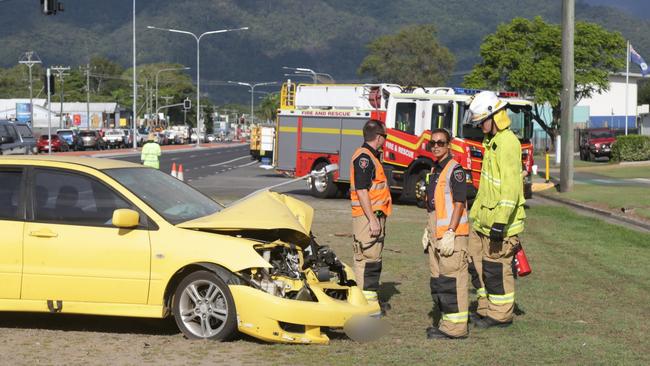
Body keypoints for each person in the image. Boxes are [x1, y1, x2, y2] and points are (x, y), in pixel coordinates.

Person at [467, 91, 526, 328]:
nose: (481, 126)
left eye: (483, 121)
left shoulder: (508, 143)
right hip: (483, 221)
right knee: (479, 266)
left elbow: (511, 187)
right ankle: (486, 309)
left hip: (500, 224)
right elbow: (488, 186)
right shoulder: (491, 142)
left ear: (496, 116)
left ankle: (500, 316)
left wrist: (501, 222)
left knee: (496, 269)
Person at [421, 128, 470, 339]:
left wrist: (451, 231)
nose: (436, 146)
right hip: (436, 234)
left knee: (452, 280)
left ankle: (455, 329)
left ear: (449, 144)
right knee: (439, 280)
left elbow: (459, 203)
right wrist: (428, 229)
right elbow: (435, 206)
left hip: (452, 235)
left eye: (440, 142)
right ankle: (445, 322)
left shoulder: (455, 170)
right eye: (433, 143)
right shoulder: (435, 170)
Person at [349, 119, 391, 309]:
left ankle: (371, 300)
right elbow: (362, 190)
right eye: (385, 136)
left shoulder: (371, 156)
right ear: (379, 137)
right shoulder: (364, 158)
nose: (386, 140)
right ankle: (366, 305)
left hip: (373, 217)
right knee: (366, 260)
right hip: (368, 219)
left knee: (373, 258)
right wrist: (373, 220)